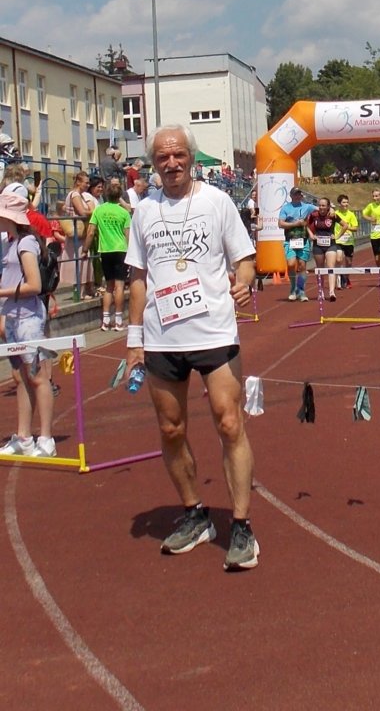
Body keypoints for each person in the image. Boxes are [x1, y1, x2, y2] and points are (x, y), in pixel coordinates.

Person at [125, 123, 259, 571]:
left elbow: (245, 259)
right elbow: (138, 278)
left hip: (214, 332)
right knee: (171, 429)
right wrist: (134, 341)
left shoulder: (217, 202)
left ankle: (241, 525)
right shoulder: (144, 211)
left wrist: (244, 283)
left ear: (191, 157)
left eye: (178, 154)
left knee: (229, 422)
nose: (172, 163)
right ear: (154, 163)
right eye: (163, 157)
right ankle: (195, 514)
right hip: (162, 338)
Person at [0, 193, 56, 457]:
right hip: (13, 316)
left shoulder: (26, 243)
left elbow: (34, 285)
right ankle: (24, 437)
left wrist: (1, 293)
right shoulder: (11, 243)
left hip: (28, 317)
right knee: (21, 376)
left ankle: (46, 438)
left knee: (37, 377)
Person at [82, 184, 131, 331]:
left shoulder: (99, 210)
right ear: (119, 197)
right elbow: (128, 235)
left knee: (109, 286)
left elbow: (91, 231)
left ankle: (105, 320)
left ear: (106, 195)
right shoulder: (124, 213)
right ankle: (118, 320)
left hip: (105, 251)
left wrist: (85, 249)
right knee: (120, 286)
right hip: (121, 250)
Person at [59, 171, 96, 299]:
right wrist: (93, 211)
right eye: (86, 183)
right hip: (77, 233)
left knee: (83, 260)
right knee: (80, 260)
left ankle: (82, 291)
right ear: (79, 182)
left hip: (80, 233)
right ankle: (80, 292)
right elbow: (82, 212)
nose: (88, 185)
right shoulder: (75, 195)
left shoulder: (78, 195)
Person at [278, 187, 317, 301]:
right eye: (295, 194)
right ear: (291, 196)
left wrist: (331, 210)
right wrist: (295, 224)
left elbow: (321, 209)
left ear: (301, 196)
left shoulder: (307, 207)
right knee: (291, 264)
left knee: (302, 265)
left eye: (299, 194)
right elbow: (280, 224)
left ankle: (301, 290)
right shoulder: (286, 208)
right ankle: (293, 287)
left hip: (303, 240)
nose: (297, 196)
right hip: (290, 240)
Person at [306, 197, 348, 301]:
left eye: (323, 205)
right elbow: (305, 225)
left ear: (328, 206)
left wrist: (337, 236)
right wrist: (311, 235)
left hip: (330, 244)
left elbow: (345, 225)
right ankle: (320, 291)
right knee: (320, 268)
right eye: (320, 205)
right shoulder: (314, 215)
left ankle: (332, 292)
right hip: (318, 245)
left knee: (330, 267)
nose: (321, 207)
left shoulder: (332, 215)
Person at [334, 194, 359, 288]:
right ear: (339, 204)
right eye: (344, 202)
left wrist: (346, 227)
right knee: (339, 259)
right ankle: (340, 277)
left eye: (347, 202)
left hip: (348, 241)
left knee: (348, 262)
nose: (346, 204)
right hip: (338, 240)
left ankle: (346, 278)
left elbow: (355, 228)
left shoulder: (351, 214)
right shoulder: (335, 214)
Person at [362, 188, 380, 272]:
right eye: (373, 196)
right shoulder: (371, 205)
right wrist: (370, 218)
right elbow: (364, 214)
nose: (374, 198)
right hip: (374, 234)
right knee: (377, 258)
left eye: (376, 196)